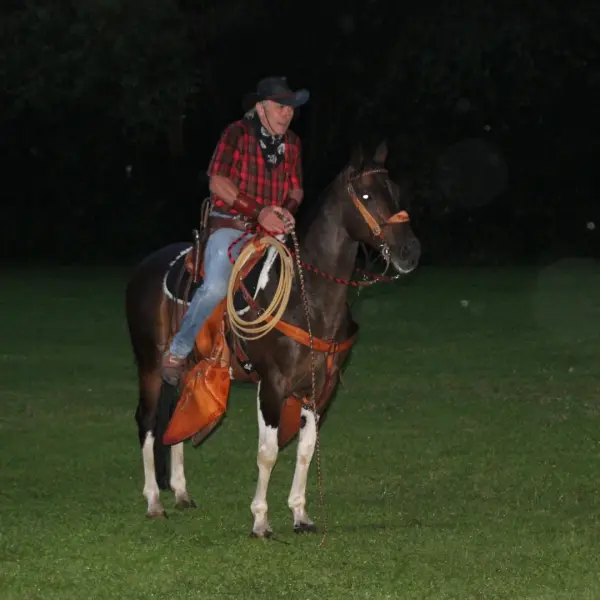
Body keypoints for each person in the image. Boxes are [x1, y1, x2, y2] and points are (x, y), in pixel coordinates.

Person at [162, 76, 309, 384]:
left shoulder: (293, 143)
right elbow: (217, 182)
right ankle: (178, 349)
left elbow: (296, 189)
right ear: (261, 107)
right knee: (216, 287)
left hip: (272, 233)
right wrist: (260, 212)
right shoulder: (236, 134)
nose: (288, 114)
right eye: (281, 107)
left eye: (291, 108)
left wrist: (286, 210)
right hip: (231, 230)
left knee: (304, 284)